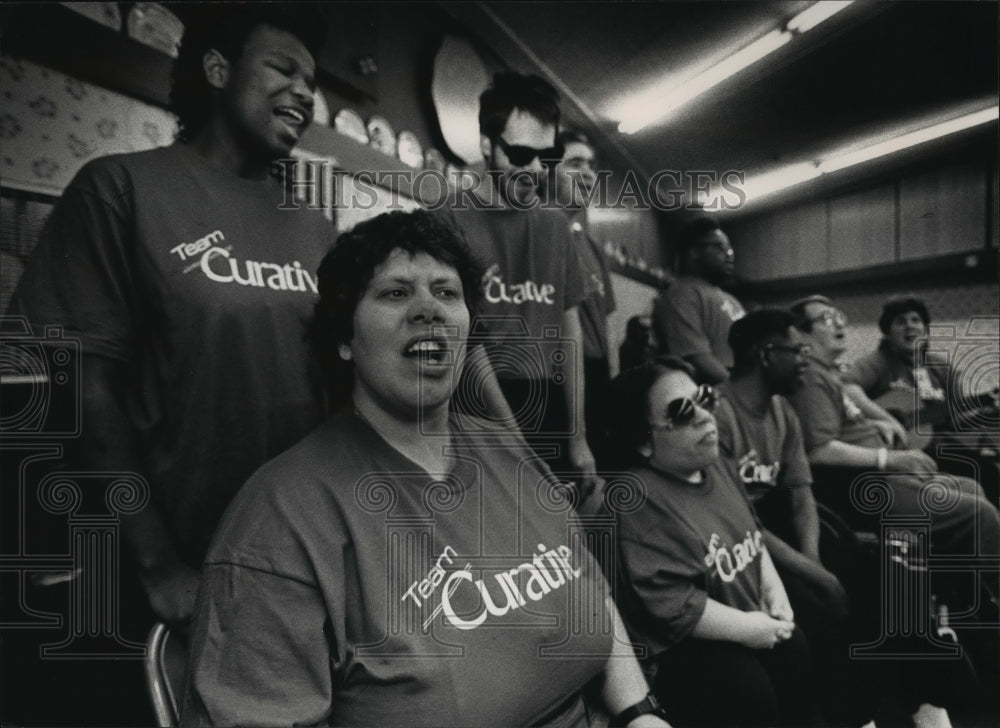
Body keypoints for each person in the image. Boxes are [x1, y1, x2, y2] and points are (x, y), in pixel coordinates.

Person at [180, 210, 671, 728]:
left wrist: (640, 711)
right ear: (343, 338)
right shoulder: (280, 519)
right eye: (395, 293)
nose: (428, 310)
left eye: (447, 292)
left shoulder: (509, 451)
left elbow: (591, 591)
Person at [10, 3, 330, 630]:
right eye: (283, 69)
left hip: (302, 548)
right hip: (177, 562)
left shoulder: (315, 219)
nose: (304, 92)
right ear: (217, 69)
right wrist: (156, 564)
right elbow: (81, 384)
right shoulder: (119, 189)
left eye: (312, 83)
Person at [611, 358, 813, 728]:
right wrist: (749, 629)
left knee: (798, 646)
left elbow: (752, 532)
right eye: (683, 411)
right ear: (643, 441)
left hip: (746, 617)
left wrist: (773, 588)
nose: (704, 416)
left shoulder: (716, 463)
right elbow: (673, 606)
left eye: (703, 399)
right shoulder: (636, 499)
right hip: (687, 645)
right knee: (746, 687)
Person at [787, 296, 999, 611]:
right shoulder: (811, 379)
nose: (840, 322)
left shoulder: (829, 373)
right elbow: (817, 450)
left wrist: (874, 422)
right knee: (979, 511)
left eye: (840, 315)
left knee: (973, 486)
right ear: (801, 333)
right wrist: (890, 457)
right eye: (827, 318)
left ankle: (962, 595)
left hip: (884, 470)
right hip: (863, 486)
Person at [444, 72, 599, 500]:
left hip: (547, 400)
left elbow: (571, 334)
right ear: (486, 145)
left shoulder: (554, 226)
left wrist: (578, 436)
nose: (534, 169)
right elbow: (467, 343)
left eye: (545, 157)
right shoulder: (447, 220)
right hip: (479, 404)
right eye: (519, 154)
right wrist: (517, 445)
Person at [844, 295, 999, 501]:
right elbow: (846, 387)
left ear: (925, 330)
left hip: (938, 443)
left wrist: (988, 412)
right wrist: (889, 420)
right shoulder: (878, 362)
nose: (910, 326)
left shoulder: (941, 367)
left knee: (987, 467)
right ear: (888, 333)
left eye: (916, 320)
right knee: (981, 470)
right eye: (900, 321)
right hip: (895, 450)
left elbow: (957, 420)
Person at [543, 128, 617, 467]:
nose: (587, 173)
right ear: (547, 170)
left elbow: (607, 325)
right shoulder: (536, 231)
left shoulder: (594, 249)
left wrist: (612, 388)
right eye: (574, 163)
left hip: (597, 380)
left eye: (590, 165)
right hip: (553, 379)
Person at [652, 217, 745, 385]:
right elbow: (697, 359)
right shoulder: (680, 295)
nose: (729, 255)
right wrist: (739, 392)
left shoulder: (731, 300)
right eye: (719, 247)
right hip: (711, 396)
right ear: (694, 252)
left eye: (730, 249)